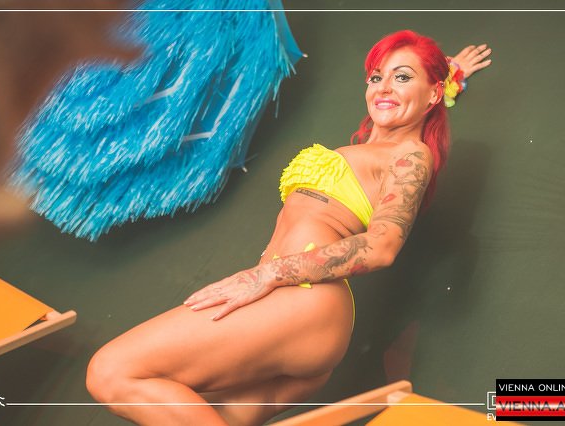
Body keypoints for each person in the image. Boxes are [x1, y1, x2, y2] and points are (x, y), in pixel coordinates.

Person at [86, 30, 491, 426]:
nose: (383, 87)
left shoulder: (410, 154)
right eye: (376, 77)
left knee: (112, 371)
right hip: (289, 312)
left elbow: (382, 246)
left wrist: (267, 274)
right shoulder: (369, 149)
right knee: (204, 413)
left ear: (433, 94)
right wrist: (448, 71)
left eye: (402, 77)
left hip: (304, 303)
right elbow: (407, 94)